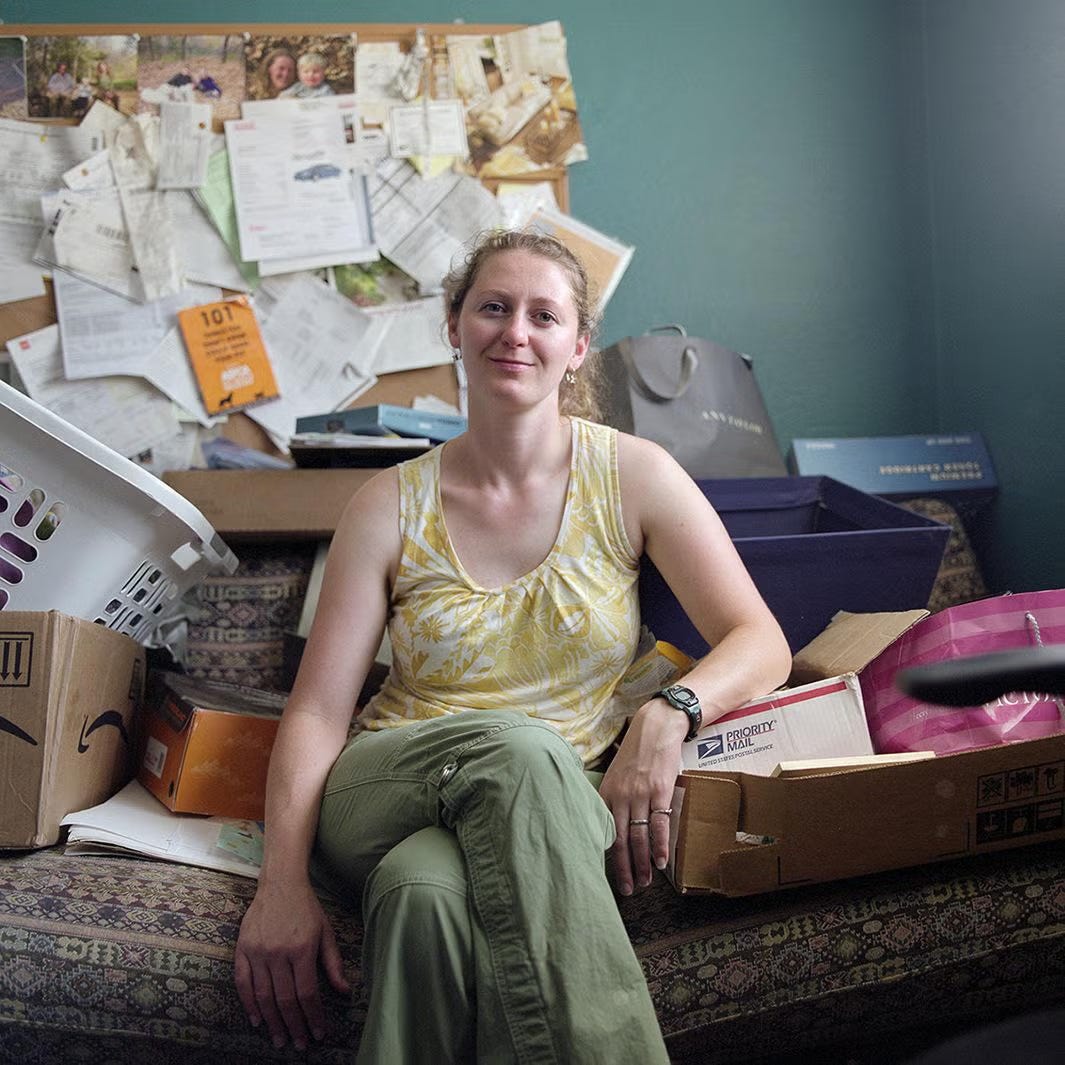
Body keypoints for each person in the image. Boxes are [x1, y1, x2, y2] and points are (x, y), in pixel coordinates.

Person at [233, 229, 792, 1062]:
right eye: (492, 307)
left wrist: (667, 715)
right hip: (388, 781)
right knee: (522, 749)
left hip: (546, 815)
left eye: (543, 314)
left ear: (578, 346)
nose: (515, 331)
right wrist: (280, 884)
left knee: (423, 895)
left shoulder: (635, 475)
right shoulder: (385, 504)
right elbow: (317, 710)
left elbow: (760, 641)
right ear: (453, 327)